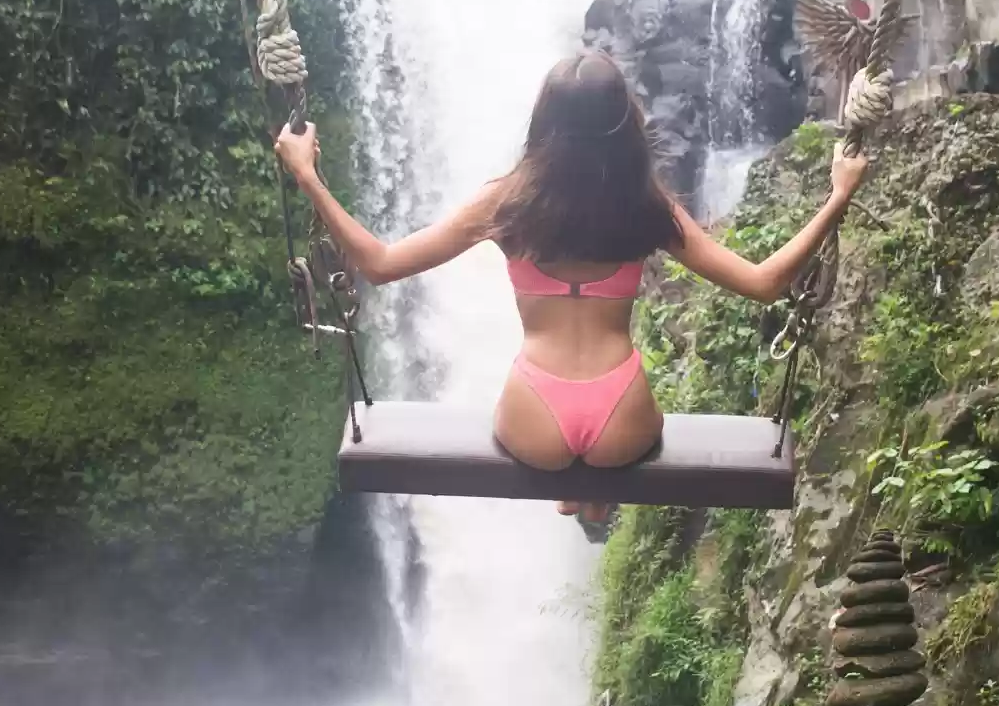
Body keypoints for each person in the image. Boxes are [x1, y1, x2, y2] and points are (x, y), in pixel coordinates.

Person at [273, 51, 869, 525]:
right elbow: (766, 283)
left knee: (555, 452)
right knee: (602, 457)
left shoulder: (505, 202)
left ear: (544, 123)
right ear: (624, 123)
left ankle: (574, 489)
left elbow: (377, 263)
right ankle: (591, 491)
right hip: (621, 413)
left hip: (534, 410)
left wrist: (307, 174)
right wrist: (837, 195)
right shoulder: (645, 206)